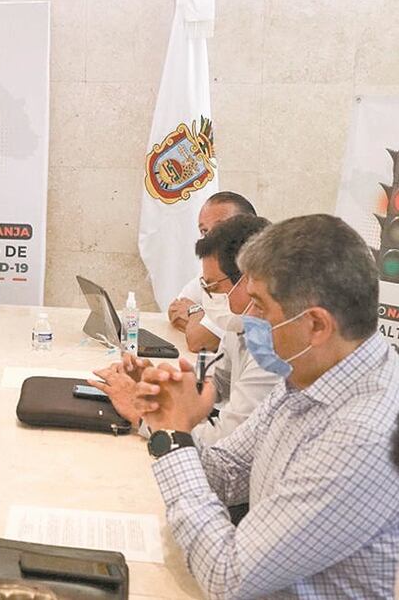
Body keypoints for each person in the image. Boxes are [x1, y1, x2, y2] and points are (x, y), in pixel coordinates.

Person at [136, 214, 399, 598]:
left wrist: (175, 439)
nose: (249, 317)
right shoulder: (311, 374)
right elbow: (229, 472)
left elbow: (229, 577)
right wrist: (165, 417)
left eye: (260, 306)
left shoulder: (363, 434)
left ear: (316, 325)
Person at [92, 215, 278, 447]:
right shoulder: (238, 323)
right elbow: (215, 384)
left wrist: (144, 417)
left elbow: (225, 441)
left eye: (212, 287)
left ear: (248, 281)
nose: (208, 296)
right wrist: (160, 386)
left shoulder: (274, 350)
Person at [166, 191, 257, 353]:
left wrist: (195, 312)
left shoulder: (256, 276)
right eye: (204, 231)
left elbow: (199, 339)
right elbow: (176, 308)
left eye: (220, 228)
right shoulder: (215, 269)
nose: (210, 238)